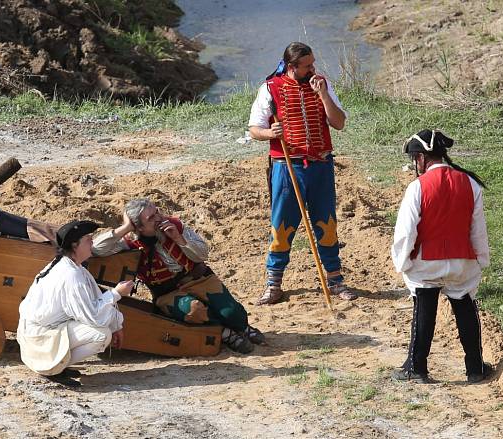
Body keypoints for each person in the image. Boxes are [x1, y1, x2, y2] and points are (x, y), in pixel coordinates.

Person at [248, 41, 354, 305]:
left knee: (326, 224)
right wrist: (269, 133)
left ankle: (335, 280)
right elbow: (254, 129)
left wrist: (324, 96)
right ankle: (274, 284)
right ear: (292, 66)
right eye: (307, 66)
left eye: (313, 63)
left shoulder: (322, 85)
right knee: (282, 226)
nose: (313, 69)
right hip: (287, 167)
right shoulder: (270, 89)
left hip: (320, 165)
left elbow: (339, 123)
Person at [92, 198, 265, 354]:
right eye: (150, 218)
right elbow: (96, 249)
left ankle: (241, 327)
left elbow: (202, 254)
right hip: (167, 293)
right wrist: (126, 228)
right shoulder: (129, 241)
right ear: (138, 227)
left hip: (199, 279)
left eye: (156, 212)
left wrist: (179, 239)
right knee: (195, 311)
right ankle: (226, 333)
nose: (158, 218)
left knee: (232, 313)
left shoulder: (175, 225)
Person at [391, 129, 493, 384]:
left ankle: (417, 367)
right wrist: (480, 260)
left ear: (422, 159)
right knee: (466, 309)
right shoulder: (469, 183)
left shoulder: (418, 187)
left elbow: (406, 233)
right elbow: (477, 228)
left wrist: (402, 263)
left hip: (426, 263)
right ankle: (475, 368)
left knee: (424, 308)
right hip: (463, 262)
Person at [17, 220, 133, 387]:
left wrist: (117, 325)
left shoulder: (74, 268)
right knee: (101, 335)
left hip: (42, 334)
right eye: (88, 240)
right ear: (74, 245)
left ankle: (58, 365)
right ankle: (52, 368)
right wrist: (116, 294)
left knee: (104, 329)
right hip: (38, 341)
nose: (92, 242)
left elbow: (95, 298)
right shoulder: (70, 275)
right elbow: (93, 316)